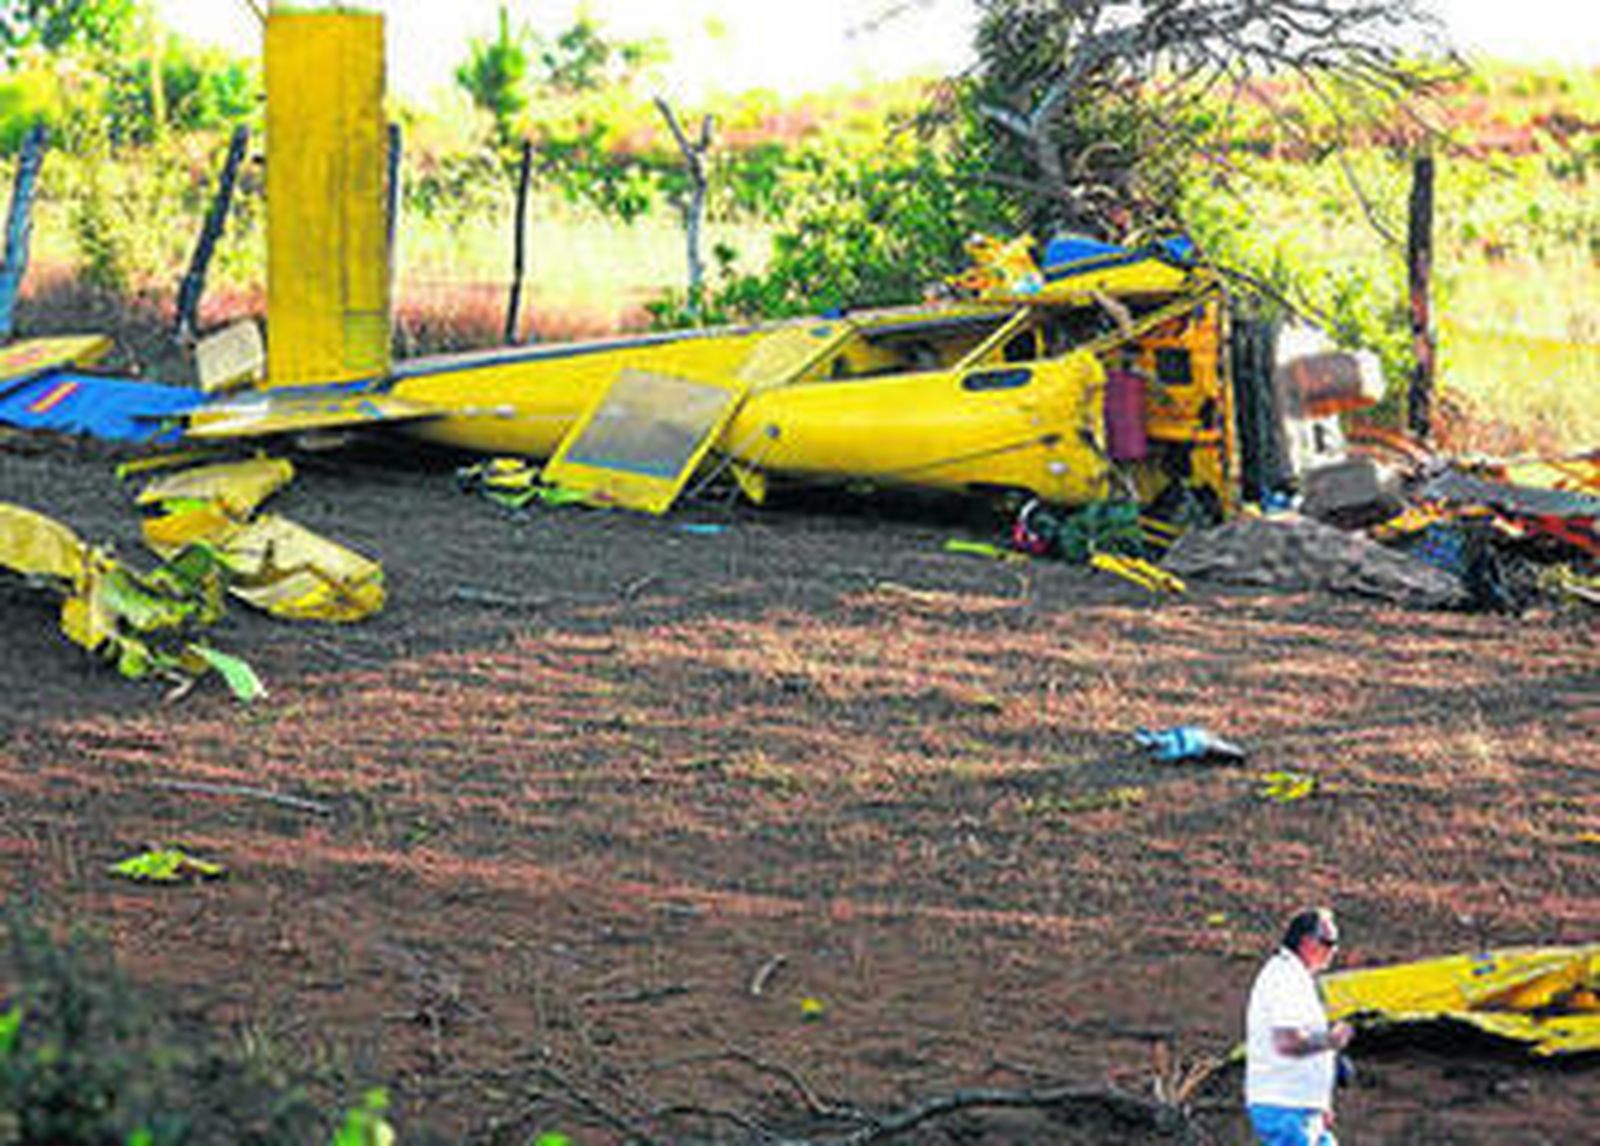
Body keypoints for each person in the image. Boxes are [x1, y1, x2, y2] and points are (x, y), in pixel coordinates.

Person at [1244, 907, 1353, 1146]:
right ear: (1307, 942)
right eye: (1329, 942)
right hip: (1284, 1106)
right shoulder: (1285, 978)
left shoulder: (1296, 977)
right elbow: (1287, 1041)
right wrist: (1331, 1040)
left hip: (1300, 1107)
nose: (1334, 950)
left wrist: (1321, 1102)